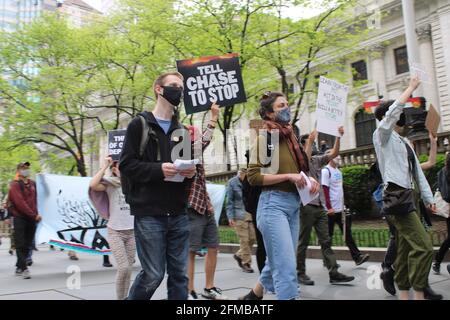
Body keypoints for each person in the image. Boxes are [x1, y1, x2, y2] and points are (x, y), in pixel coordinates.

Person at [120, 71, 196, 300]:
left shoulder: (182, 131)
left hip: (179, 214)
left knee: (180, 276)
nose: (179, 90)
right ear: (159, 89)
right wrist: (158, 169)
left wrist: (190, 173)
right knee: (153, 274)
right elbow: (127, 165)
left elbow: (184, 170)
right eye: (174, 85)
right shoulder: (139, 125)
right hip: (149, 214)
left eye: (181, 87)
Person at [240, 91, 319, 300]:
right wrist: (289, 176)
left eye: (286, 104)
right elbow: (254, 176)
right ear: (269, 113)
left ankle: (253, 297)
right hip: (272, 205)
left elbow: (301, 168)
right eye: (280, 106)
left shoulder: (291, 136)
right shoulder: (267, 137)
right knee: (285, 266)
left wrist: (310, 180)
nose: (286, 108)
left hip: (293, 205)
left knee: (280, 260)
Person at [373, 76, 435, 300]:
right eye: (397, 113)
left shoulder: (404, 142)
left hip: (411, 196)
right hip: (397, 197)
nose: (401, 117)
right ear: (386, 117)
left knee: (406, 250)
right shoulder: (381, 136)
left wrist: (428, 199)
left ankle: (406, 294)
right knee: (424, 247)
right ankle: (419, 292)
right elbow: (390, 116)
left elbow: (417, 171)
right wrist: (410, 88)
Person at [379, 132, 442, 300]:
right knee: (405, 242)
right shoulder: (396, 168)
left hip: (413, 206)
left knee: (409, 244)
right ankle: (389, 269)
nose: (410, 149)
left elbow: (431, 162)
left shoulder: (413, 167)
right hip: (399, 206)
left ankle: (416, 287)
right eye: (408, 146)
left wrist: (433, 143)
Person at [296, 127, 355, 285]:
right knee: (303, 241)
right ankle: (299, 272)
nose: (313, 145)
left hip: (319, 207)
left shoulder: (317, 160)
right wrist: (308, 141)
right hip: (306, 206)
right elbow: (305, 160)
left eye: (313, 142)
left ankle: (333, 272)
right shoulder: (300, 161)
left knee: (326, 240)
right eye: (310, 143)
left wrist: (338, 137)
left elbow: (334, 154)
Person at [186, 103, 228, 300]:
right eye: (190, 133)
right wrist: (213, 118)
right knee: (191, 251)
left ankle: (209, 288)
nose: (193, 135)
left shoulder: (197, 157)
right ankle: (188, 290)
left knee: (213, 246)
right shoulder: (183, 153)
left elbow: (200, 183)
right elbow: (204, 142)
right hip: (191, 209)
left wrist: (209, 203)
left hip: (205, 207)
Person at [89, 156, 136, 300]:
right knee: (123, 268)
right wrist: (104, 166)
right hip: (115, 231)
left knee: (128, 270)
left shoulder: (134, 183)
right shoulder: (110, 184)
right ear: (115, 170)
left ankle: (125, 297)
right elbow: (93, 185)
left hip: (132, 232)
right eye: (120, 166)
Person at [322, 157, 370, 266]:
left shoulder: (338, 171)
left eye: (338, 156)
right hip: (330, 211)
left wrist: (343, 205)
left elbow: (340, 190)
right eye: (335, 156)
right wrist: (329, 207)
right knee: (328, 236)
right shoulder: (326, 171)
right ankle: (327, 260)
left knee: (347, 234)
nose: (338, 158)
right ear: (329, 158)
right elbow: (325, 190)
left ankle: (357, 257)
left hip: (340, 209)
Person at [7, 162, 42, 279]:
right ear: (18, 170)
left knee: (28, 244)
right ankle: (24, 268)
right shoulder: (14, 185)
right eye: (23, 168)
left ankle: (19, 265)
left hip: (32, 218)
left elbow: (40, 196)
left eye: (27, 168)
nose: (25, 170)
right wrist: (34, 215)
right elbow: (20, 203)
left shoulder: (33, 184)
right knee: (20, 243)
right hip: (20, 218)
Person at [226, 169, 256, 274]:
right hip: (238, 215)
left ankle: (239, 255)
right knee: (244, 240)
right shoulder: (232, 183)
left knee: (252, 238)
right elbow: (229, 201)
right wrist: (230, 217)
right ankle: (246, 263)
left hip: (249, 214)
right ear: (239, 173)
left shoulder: (250, 181)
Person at [432, 152, 450, 275]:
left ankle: (437, 261)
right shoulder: (445, 172)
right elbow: (447, 194)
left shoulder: (443, 171)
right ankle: (437, 261)